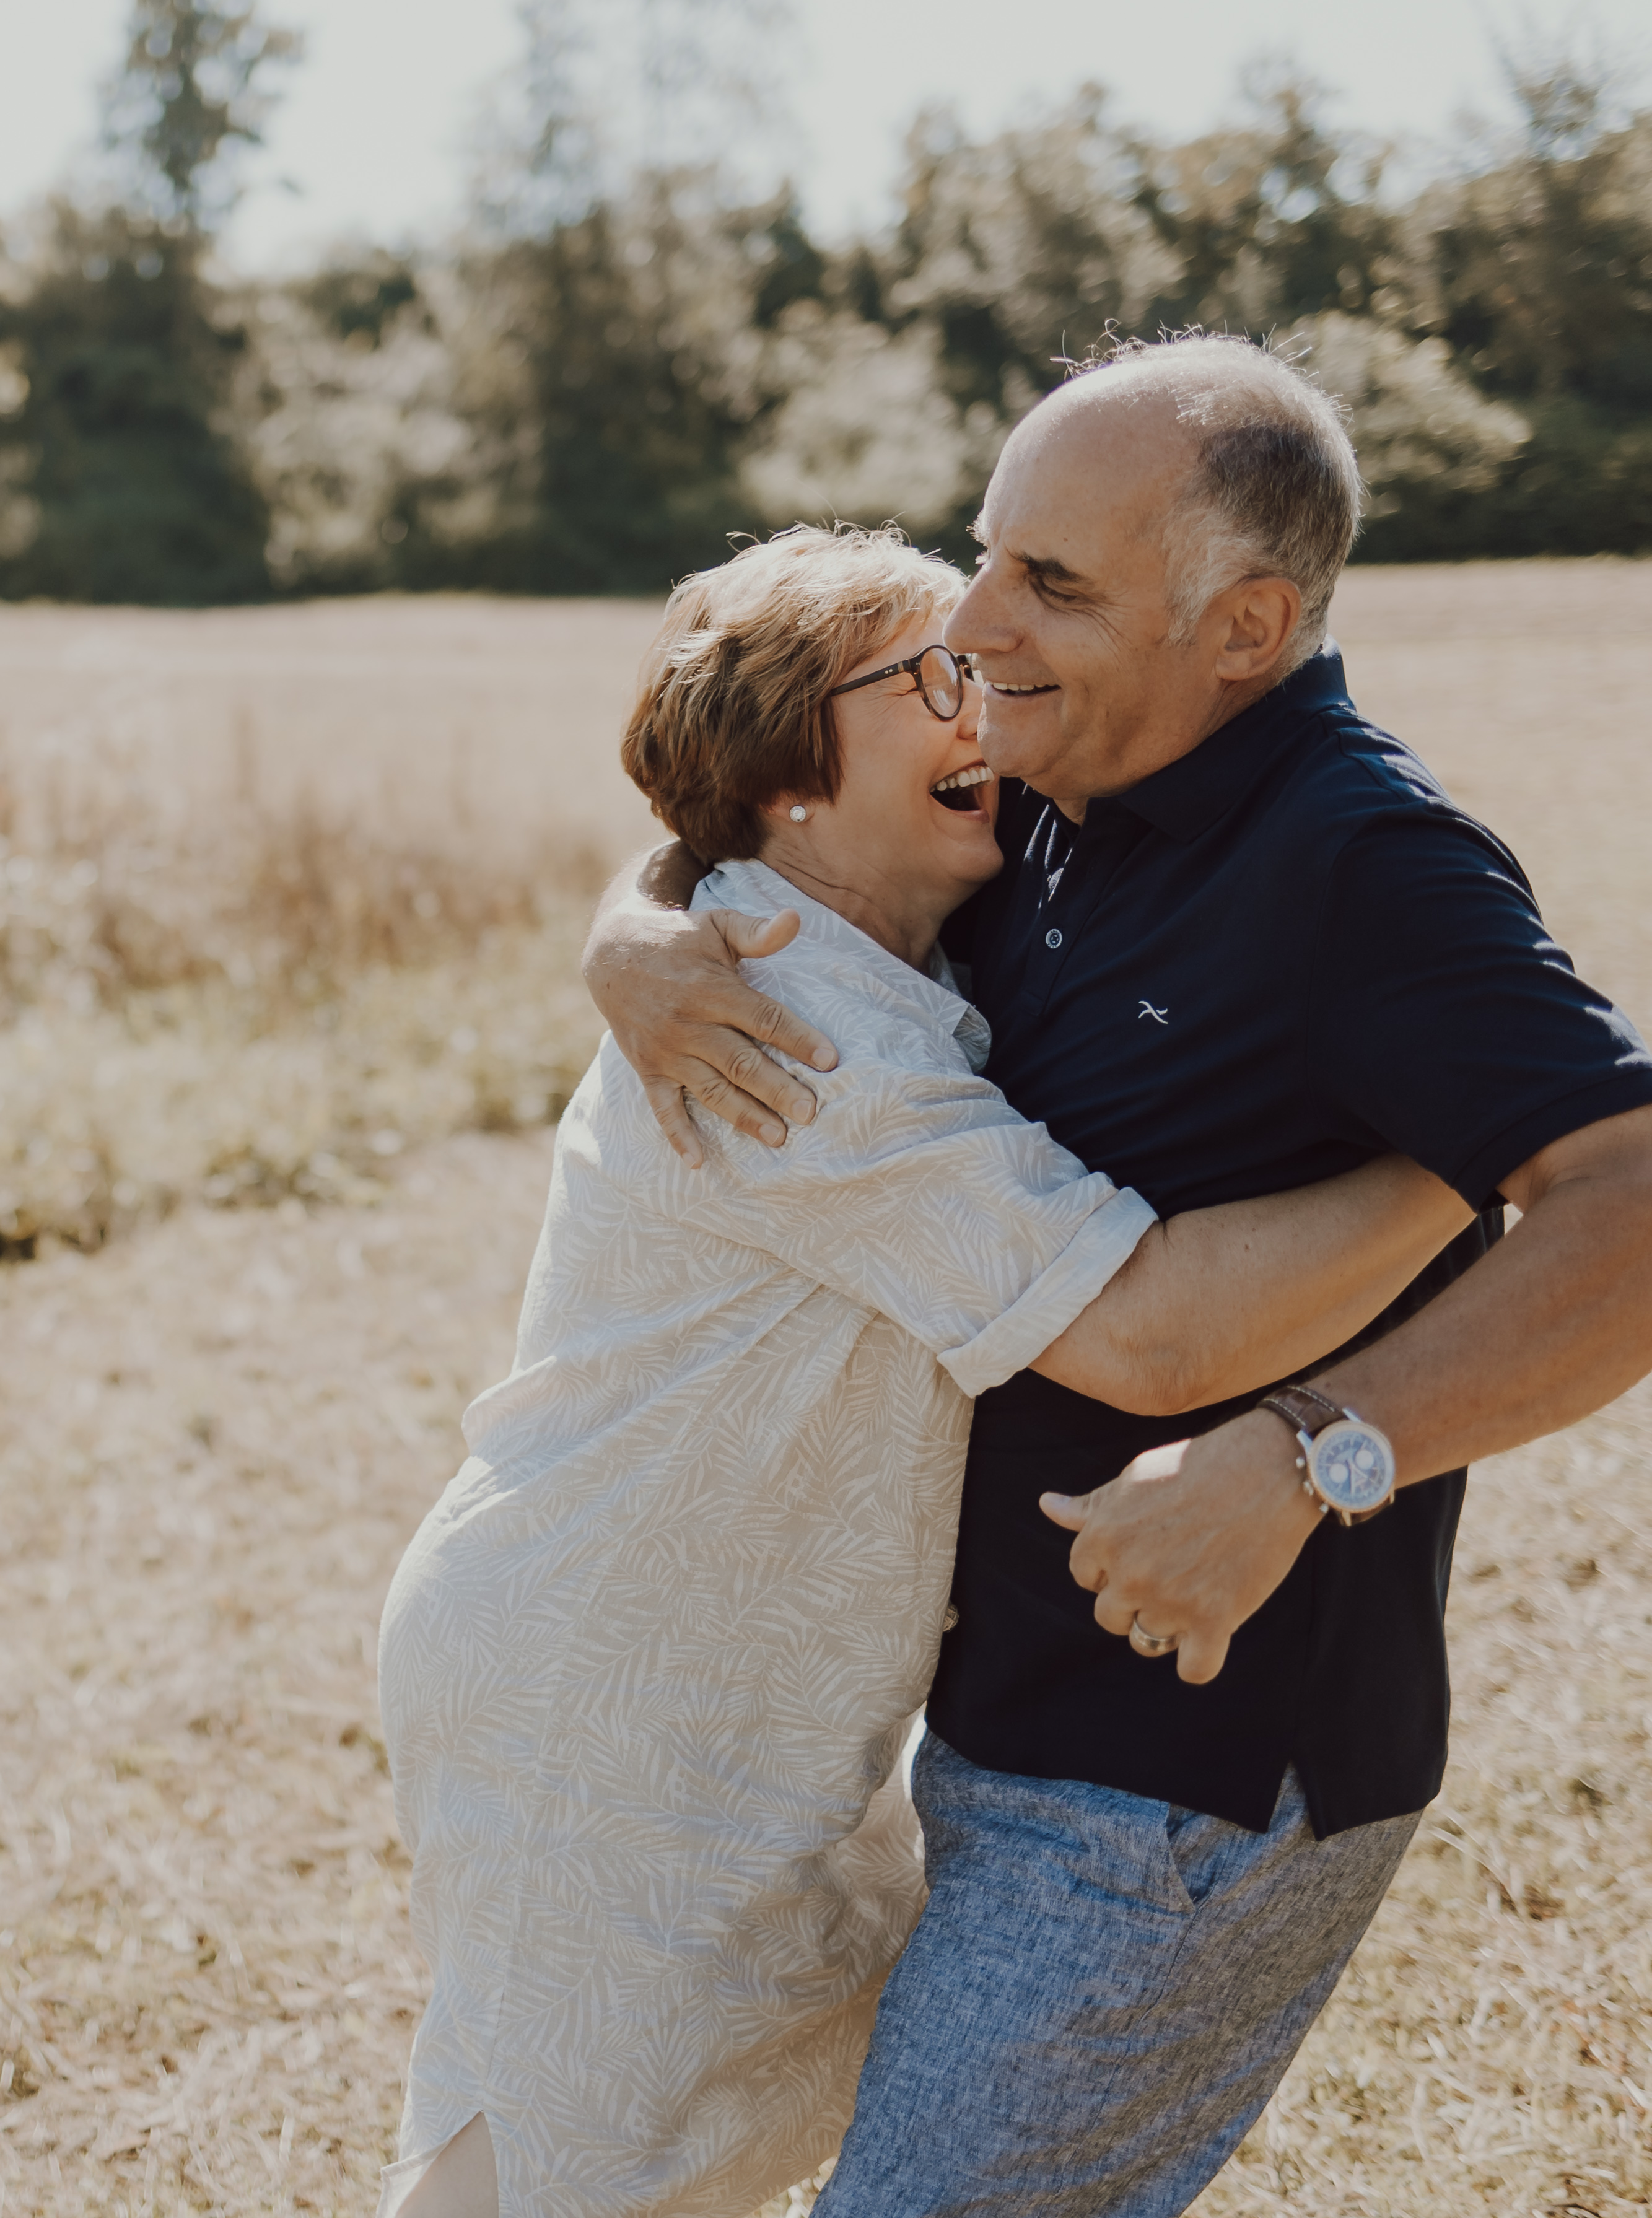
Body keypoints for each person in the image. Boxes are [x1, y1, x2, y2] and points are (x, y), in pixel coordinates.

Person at [584, 339, 1652, 2216]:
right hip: (992, 1715)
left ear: (1241, 627)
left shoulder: (1362, 869)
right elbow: (770, 804)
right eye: (987, 553)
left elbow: (1630, 1197)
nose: (975, 621)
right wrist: (636, 926)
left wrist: (1318, 1447)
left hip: (1193, 1768)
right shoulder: (1058, 786)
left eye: (1049, 585)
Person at [376, 523, 1466, 2218]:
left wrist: (633, 903)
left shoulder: (855, 930)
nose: (990, 700)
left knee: (623, 2146)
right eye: (933, 675)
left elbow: (693, 848)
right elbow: (1152, 1328)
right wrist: (1477, 1148)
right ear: (789, 774)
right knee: (551, 2176)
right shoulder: (787, 1024)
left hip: (726, 1677)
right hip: (614, 1682)